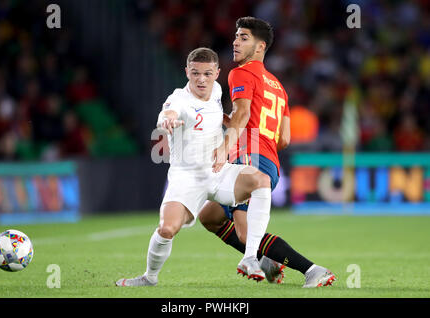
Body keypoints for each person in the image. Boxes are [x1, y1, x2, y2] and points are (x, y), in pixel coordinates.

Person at [116, 47, 275, 287]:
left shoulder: (217, 90)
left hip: (218, 171)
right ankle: (149, 277)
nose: (201, 79)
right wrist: (167, 120)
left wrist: (228, 124)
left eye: (208, 74)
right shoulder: (179, 98)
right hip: (186, 178)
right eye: (195, 73)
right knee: (167, 229)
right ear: (186, 72)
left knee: (260, 180)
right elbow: (166, 113)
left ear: (217, 73)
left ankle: (250, 257)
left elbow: (217, 114)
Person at [198, 17, 336, 288]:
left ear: (260, 47)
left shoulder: (241, 72)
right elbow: (284, 138)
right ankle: (269, 262)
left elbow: (243, 113)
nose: (236, 42)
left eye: (244, 38)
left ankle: (312, 270)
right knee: (210, 216)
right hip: (268, 161)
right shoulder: (278, 87)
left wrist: (225, 148)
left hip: (248, 158)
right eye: (236, 36)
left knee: (244, 231)